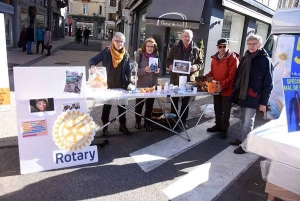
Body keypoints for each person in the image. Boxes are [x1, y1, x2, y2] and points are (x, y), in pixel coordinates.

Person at [229, 35, 273, 154]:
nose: (251, 46)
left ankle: (246, 145)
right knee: (242, 119)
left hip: (254, 95)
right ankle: (242, 138)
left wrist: (264, 102)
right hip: (243, 93)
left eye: (254, 43)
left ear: (260, 44)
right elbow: (238, 74)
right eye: (249, 43)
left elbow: (268, 83)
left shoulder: (265, 60)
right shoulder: (246, 57)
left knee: (248, 121)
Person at [89, 32, 132, 136]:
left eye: (121, 41)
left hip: (120, 85)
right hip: (107, 85)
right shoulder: (107, 51)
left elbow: (128, 71)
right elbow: (93, 60)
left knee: (122, 106)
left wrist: (130, 80)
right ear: (113, 41)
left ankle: (123, 125)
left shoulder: (126, 54)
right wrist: (92, 66)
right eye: (117, 41)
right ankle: (104, 126)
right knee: (107, 106)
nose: (119, 43)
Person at [166, 29, 204, 128]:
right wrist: (169, 66)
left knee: (185, 101)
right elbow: (168, 60)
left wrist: (195, 67)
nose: (186, 38)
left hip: (189, 79)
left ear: (192, 38)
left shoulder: (196, 49)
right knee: (174, 100)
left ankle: (183, 121)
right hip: (175, 78)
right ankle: (173, 120)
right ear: (181, 37)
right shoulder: (174, 48)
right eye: (185, 36)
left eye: (189, 37)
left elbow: (201, 63)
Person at [205, 39, 239, 139]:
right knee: (217, 108)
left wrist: (222, 85)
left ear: (228, 47)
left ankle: (224, 128)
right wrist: (205, 77)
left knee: (226, 110)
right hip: (216, 87)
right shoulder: (214, 58)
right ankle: (218, 125)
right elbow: (212, 73)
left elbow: (233, 76)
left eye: (225, 46)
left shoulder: (232, 58)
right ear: (217, 47)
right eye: (220, 46)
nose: (222, 48)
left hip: (227, 88)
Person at [135, 38, 162, 131]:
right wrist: (144, 70)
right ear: (145, 46)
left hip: (152, 86)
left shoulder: (157, 56)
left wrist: (158, 71)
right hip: (141, 85)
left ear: (154, 47)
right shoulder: (140, 55)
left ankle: (147, 122)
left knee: (149, 106)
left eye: (152, 46)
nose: (150, 48)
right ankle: (137, 122)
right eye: (148, 46)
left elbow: (161, 71)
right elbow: (134, 71)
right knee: (139, 105)